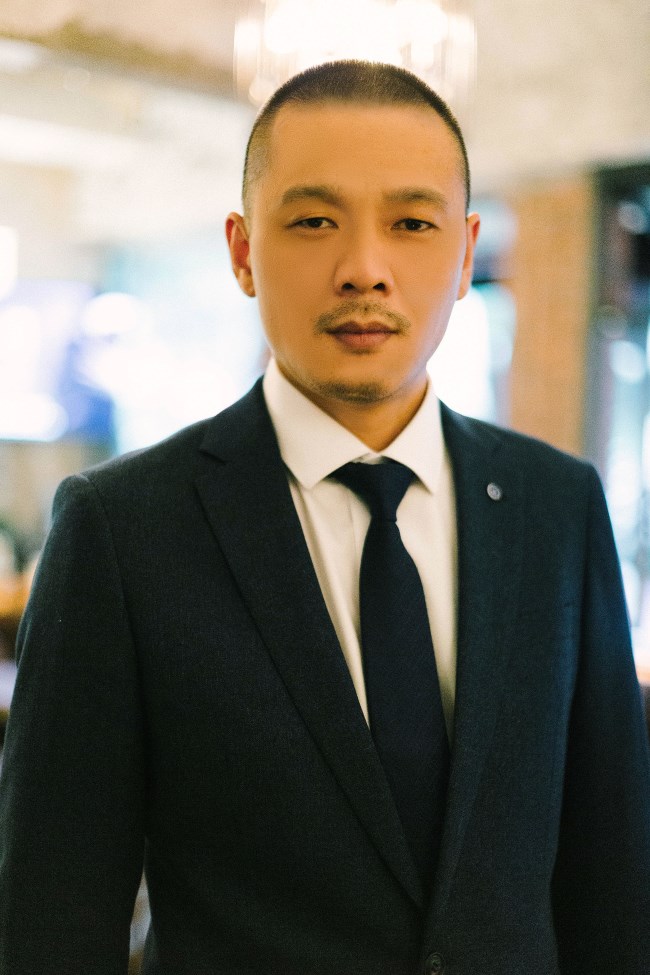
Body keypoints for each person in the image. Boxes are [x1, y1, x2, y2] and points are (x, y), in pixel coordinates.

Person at [1, 60, 649, 975]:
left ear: (466, 253)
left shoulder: (557, 506)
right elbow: (52, 912)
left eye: (412, 223)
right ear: (242, 251)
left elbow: (610, 879)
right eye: (313, 222)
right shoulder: (122, 528)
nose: (364, 270)